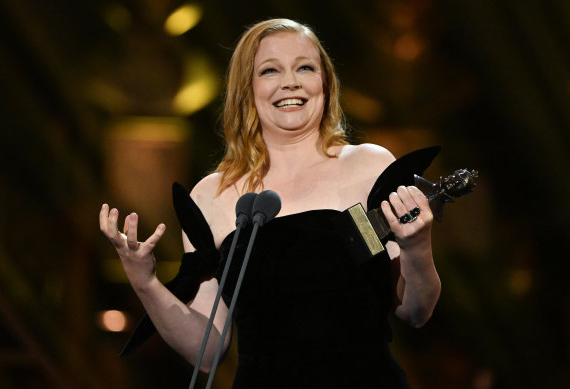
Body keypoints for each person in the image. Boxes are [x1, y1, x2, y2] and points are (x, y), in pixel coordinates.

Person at [99, 18, 441, 388]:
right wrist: (145, 281)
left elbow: (415, 312)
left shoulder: (369, 166)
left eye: (305, 67)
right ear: (247, 89)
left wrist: (417, 246)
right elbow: (207, 352)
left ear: (324, 82)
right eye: (270, 70)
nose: (290, 81)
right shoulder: (211, 196)